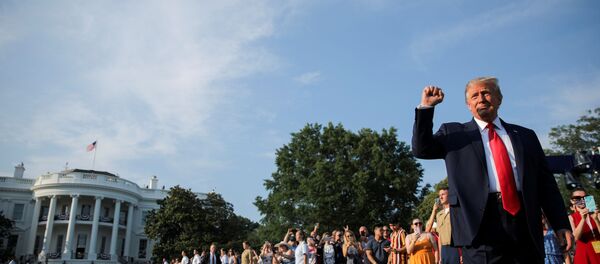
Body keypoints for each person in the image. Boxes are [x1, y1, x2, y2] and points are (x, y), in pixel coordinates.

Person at [411, 77, 573, 263]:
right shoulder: (454, 133)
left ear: (499, 99)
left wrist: (561, 224)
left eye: (486, 93)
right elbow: (421, 149)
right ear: (468, 104)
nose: (481, 98)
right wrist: (426, 108)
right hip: (478, 227)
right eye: (474, 96)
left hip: (524, 223)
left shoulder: (526, 136)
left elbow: (546, 184)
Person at [425, 187, 459, 264]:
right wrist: (440, 256)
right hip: (444, 250)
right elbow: (439, 236)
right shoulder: (439, 215)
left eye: (443, 194)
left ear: (450, 195)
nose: (440, 197)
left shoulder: (456, 211)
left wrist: (462, 253)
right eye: (439, 195)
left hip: (455, 248)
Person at [569, 188, 600, 263]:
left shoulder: (597, 214)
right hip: (584, 253)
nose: (582, 200)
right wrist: (583, 219)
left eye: (585, 197)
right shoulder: (571, 217)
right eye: (578, 198)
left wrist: (596, 219)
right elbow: (575, 238)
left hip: (598, 249)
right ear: (572, 201)